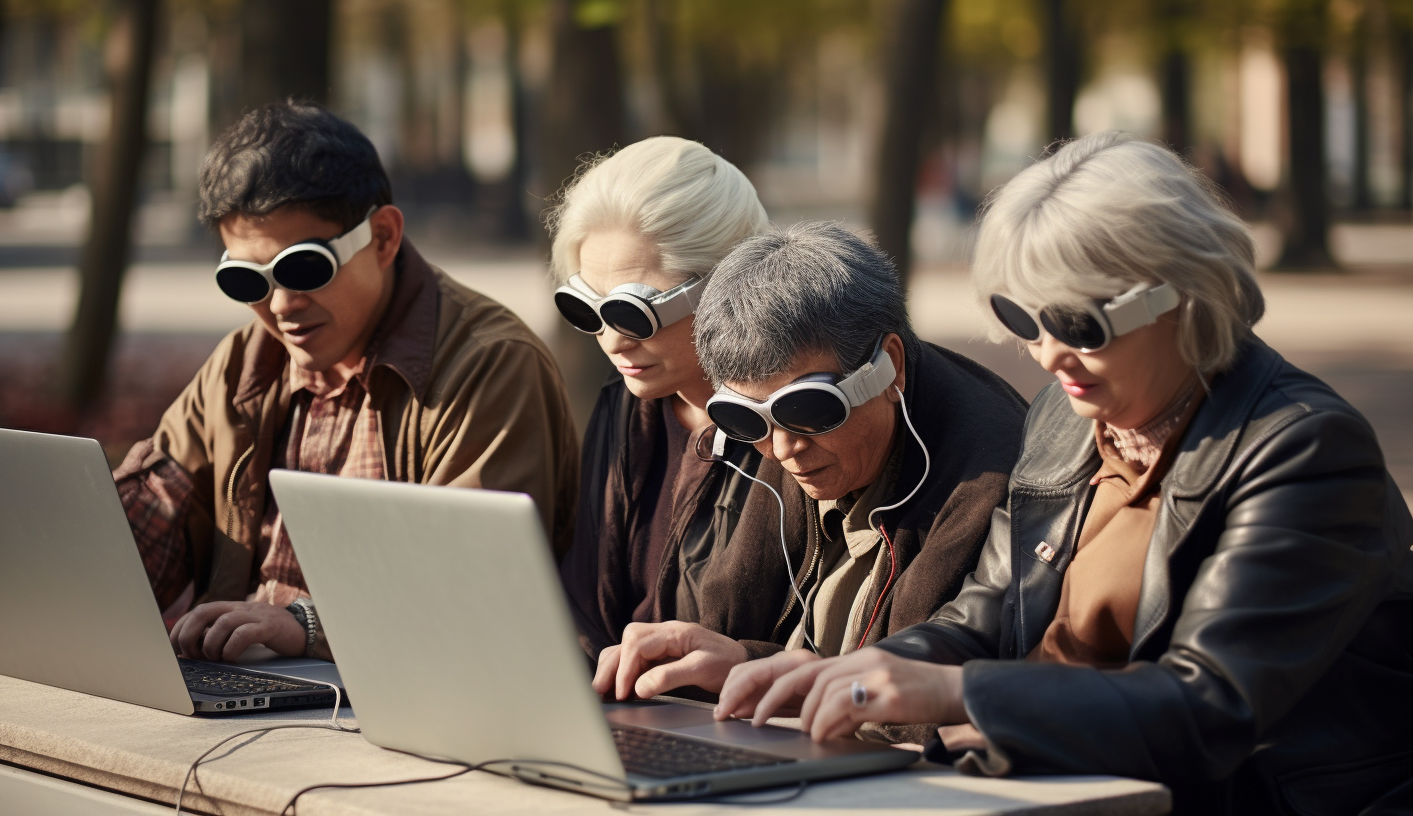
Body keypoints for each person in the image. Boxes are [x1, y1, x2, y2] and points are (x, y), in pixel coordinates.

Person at [717, 133, 1413, 813]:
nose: (1048, 356)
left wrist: (958, 695)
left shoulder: (1304, 447)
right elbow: (987, 613)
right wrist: (860, 673)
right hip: (1066, 781)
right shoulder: (1069, 415)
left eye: (1078, 325)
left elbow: (1210, 708)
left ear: (1182, 295)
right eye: (1022, 318)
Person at [113, 101, 578, 664]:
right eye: (246, 279)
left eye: (304, 267)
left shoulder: (490, 364)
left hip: (400, 705)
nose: (280, 305)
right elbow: (137, 546)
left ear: (382, 238)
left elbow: (470, 589)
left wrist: (303, 626)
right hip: (243, 697)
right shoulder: (242, 364)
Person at [591, 222, 1028, 738]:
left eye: (809, 408)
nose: (782, 450)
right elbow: (740, 627)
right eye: (746, 418)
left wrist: (762, 674)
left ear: (890, 367)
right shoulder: (793, 433)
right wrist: (735, 660)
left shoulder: (989, 478)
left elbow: (903, 699)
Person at [553, 136, 771, 663]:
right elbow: (584, 612)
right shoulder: (626, 407)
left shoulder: (797, 425)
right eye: (587, 308)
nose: (611, 340)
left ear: (727, 284)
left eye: (634, 312)